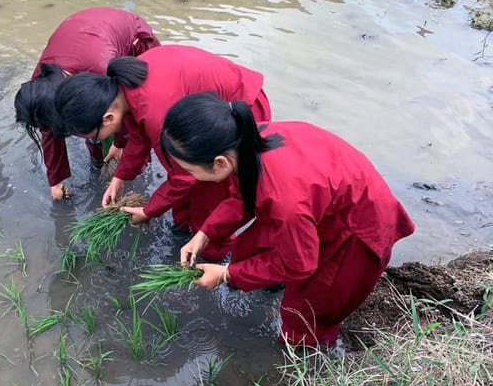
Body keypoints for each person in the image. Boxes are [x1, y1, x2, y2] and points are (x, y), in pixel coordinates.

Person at [160, 92, 415, 348]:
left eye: (190, 170)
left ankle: (305, 358)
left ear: (219, 163)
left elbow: (300, 264)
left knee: (306, 312)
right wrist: (204, 234)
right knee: (251, 249)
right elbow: (243, 196)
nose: (188, 174)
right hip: (324, 205)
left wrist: (226, 274)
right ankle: (271, 286)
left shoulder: (284, 198)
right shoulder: (246, 141)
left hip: (355, 233)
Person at [53, 44, 272, 232]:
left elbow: (183, 176)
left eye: (93, 137)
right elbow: (139, 138)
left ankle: (207, 261)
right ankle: (184, 231)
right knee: (189, 196)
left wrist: (149, 211)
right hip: (210, 112)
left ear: (108, 118)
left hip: (238, 114)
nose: (95, 141)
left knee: (208, 204)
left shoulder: (156, 113)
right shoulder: (124, 88)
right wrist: (120, 178)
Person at [15, 7, 160, 200]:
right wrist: (56, 181)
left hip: (131, 38)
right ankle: (99, 161)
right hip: (86, 32)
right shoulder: (41, 85)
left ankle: (138, 172)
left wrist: (120, 143)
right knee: (91, 125)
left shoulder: (101, 70)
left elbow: (127, 106)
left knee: (139, 119)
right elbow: (48, 128)